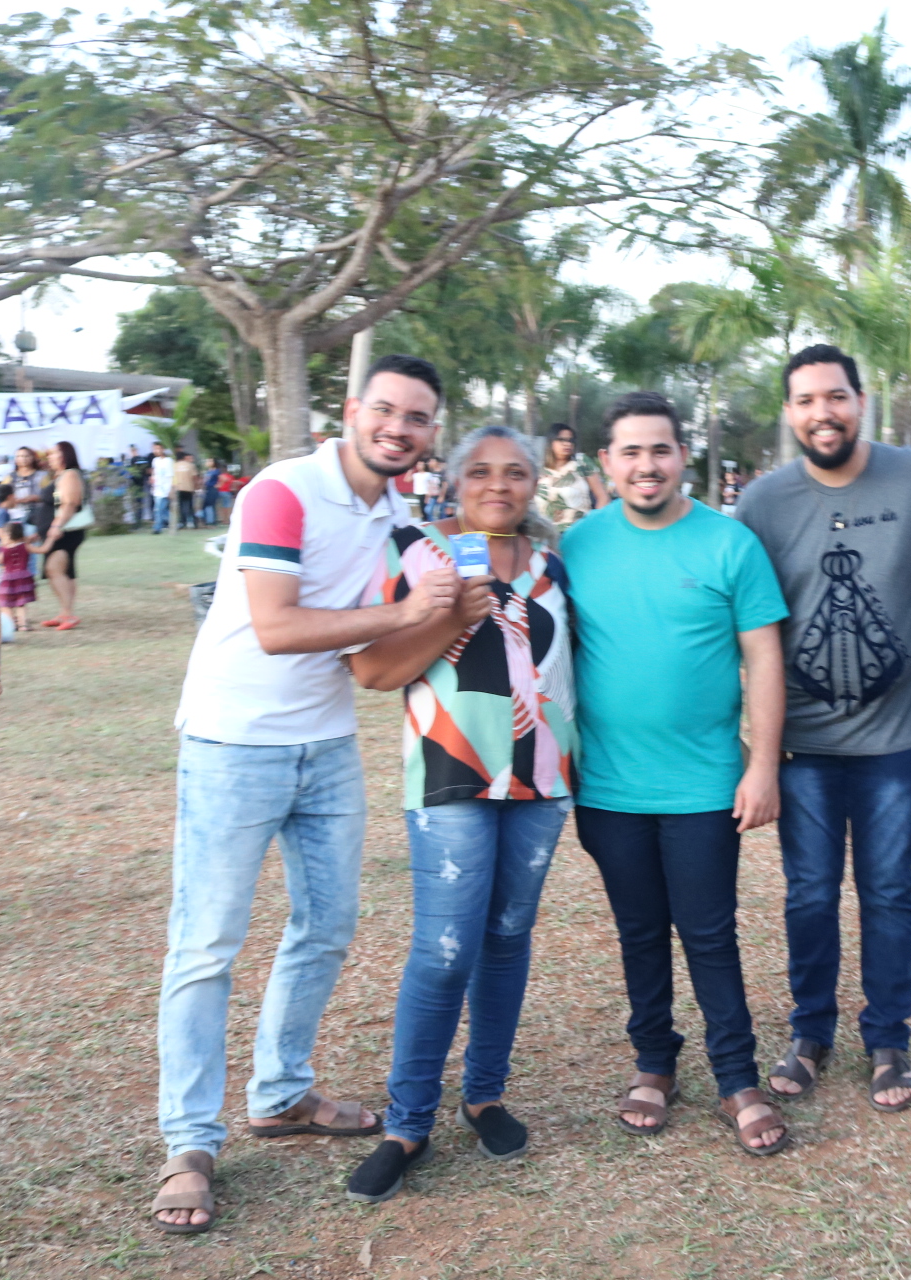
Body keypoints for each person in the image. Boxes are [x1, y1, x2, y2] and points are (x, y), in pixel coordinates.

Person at [150, 354, 455, 1235]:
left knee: (326, 925)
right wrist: (411, 613)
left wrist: (462, 601)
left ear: (430, 432)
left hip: (325, 746)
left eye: (418, 418)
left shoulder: (397, 518)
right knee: (207, 943)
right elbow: (278, 626)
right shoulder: (282, 491)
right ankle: (188, 1143)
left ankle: (281, 1092)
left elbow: (375, 665)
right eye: (387, 410)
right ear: (353, 412)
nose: (399, 428)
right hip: (232, 740)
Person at [342, 426, 577, 1201]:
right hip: (451, 776)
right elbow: (374, 671)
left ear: (534, 483)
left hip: (543, 781)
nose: (497, 485)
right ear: (451, 479)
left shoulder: (551, 566)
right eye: (479, 471)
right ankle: (407, 1124)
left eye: (515, 472)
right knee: (444, 953)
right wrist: (451, 618)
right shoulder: (415, 552)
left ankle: (485, 1094)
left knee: (506, 940)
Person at [563, 391, 792, 1156]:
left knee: (708, 932)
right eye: (629, 451)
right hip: (608, 787)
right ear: (606, 462)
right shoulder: (577, 546)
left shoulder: (729, 544)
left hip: (703, 785)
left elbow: (764, 657)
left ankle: (737, 1078)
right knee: (638, 932)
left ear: (682, 457)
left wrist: (763, 766)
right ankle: (654, 1063)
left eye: (659, 449)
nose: (646, 465)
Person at [735, 344, 911, 1114]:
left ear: (860, 402)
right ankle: (810, 1032)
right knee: (809, 892)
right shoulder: (762, 503)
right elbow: (749, 620)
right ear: (789, 412)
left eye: (835, 396)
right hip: (803, 743)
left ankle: (888, 1038)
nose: (822, 413)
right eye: (805, 400)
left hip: (893, 738)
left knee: (889, 889)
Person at [34, 441, 89, 631]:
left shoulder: (70, 474)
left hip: (64, 532)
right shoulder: (60, 475)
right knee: (66, 572)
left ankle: (68, 613)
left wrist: (56, 526)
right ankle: (65, 612)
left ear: (64, 455)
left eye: (54, 453)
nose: (49, 456)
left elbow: (70, 503)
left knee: (53, 569)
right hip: (59, 531)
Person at [536, 423, 608, 529]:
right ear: (550, 442)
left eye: (570, 440)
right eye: (561, 439)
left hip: (580, 531)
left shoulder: (581, 462)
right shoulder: (539, 472)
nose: (567, 444)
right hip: (547, 534)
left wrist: (595, 525)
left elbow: (603, 497)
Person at [0, 511, 37, 636]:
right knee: (21, 603)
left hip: (8, 579)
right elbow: (41, 549)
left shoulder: (5, 550)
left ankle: (11, 624)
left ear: (8, 535)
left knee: (4, 604)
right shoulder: (25, 546)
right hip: (24, 577)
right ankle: (23, 625)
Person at [151, 442, 175, 534]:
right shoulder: (155, 460)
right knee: (161, 510)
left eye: (158, 448)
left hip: (165, 489)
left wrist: (171, 489)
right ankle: (174, 522)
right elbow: (154, 473)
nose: (156, 451)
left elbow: (171, 476)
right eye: (154, 449)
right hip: (157, 488)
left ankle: (157, 528)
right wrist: (153, 482)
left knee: (159, 509)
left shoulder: (168, 461)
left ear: (163, 449)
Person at [173, 450, 200, 530]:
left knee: (181, 506)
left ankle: (182, 522)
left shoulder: (174, 466)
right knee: (190, 505)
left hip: (178, 488)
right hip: (189, 488)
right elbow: (195, 477)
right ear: (184, 457)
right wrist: (196, 486)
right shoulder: (190, 465)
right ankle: (193, 522)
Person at [200, 458, 222, 527]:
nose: (208, 462)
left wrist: (218, 485)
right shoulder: (208, 471)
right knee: (205, 505)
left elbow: (223, 479)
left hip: (212, 489)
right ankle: (207, 520)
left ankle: (212, 521)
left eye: (210, 461)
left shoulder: (216, 471)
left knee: (211, 504)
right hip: (207, 488)